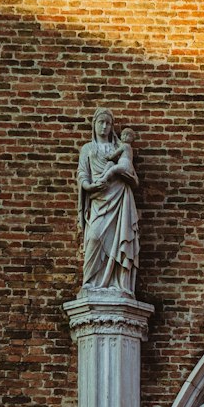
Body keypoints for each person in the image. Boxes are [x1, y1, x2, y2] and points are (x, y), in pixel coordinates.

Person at [76, 108, 140, 293]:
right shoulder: (88, 149)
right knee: (94, 237)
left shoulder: (119, 148)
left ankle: (119, 284)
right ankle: (91, 282)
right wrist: (88, 186)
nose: (104, 126)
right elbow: (82, 173)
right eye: (100, 122)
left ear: (112, 127)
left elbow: (134, 179)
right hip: (98, 199)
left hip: (119, 197)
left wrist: (120, 172)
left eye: (108, 123)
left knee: (120, 238)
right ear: (94, 125)